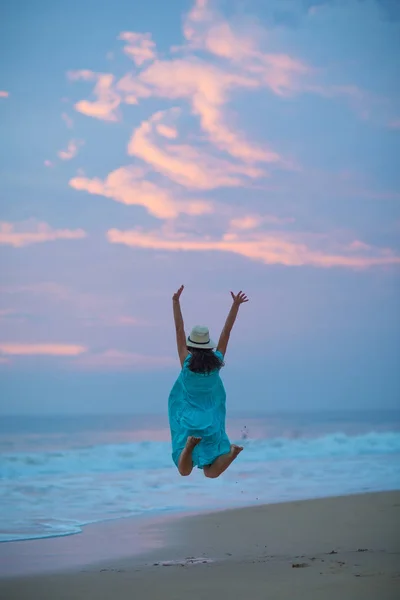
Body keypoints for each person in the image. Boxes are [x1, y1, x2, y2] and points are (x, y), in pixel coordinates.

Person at [168, 285, 249, 478]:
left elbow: (179, 329)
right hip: (211, 421)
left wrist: (175, 302)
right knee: (210, 473)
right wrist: (235, 305)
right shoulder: (216, 363)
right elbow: (226, 333)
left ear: (191, 345)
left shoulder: (186, 363)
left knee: (184, 470)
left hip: (189, 419)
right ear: (208, 345)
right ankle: (232, 454)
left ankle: (189, 447)